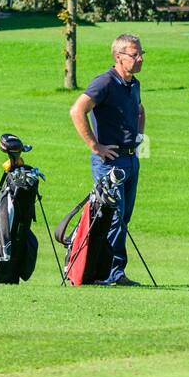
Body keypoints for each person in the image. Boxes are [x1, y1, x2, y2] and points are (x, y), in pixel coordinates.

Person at [69, 33, 146, 286]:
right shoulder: (104, 82)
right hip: (109, 163)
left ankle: (113, 272)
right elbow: (77, 110)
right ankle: (109, 274)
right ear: (119, 57)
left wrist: (139, 138)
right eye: (134, 55)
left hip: (130, 160)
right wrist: (95, 146)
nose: (140, 59)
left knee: (124, 218)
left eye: (141, 54)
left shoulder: (133, 84)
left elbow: (140, 110)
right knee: (113, 217)